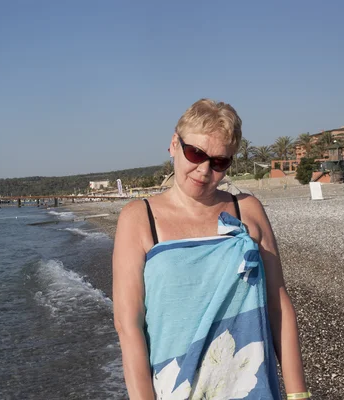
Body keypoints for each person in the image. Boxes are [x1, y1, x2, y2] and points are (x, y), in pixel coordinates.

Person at [112, 99, 309, 399]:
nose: (204, 170)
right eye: (196, 153)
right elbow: (129, 326)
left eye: (219, 162)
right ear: (174, 145)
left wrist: (298, 395)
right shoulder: (139, 219)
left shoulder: (248, 210)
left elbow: (278, 305)